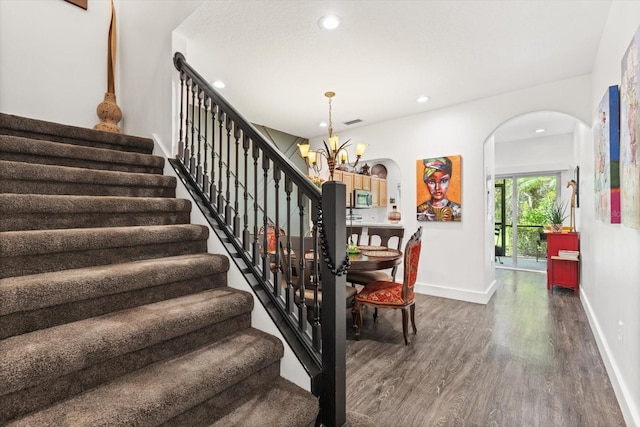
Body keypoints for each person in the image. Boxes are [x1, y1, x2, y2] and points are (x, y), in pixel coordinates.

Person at [417, 157, 461, 221]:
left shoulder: (458, 210)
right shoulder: (419, 210)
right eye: (432, 182)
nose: (437, 188)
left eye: (443, 181)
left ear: (449, 180)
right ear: (426, 183)